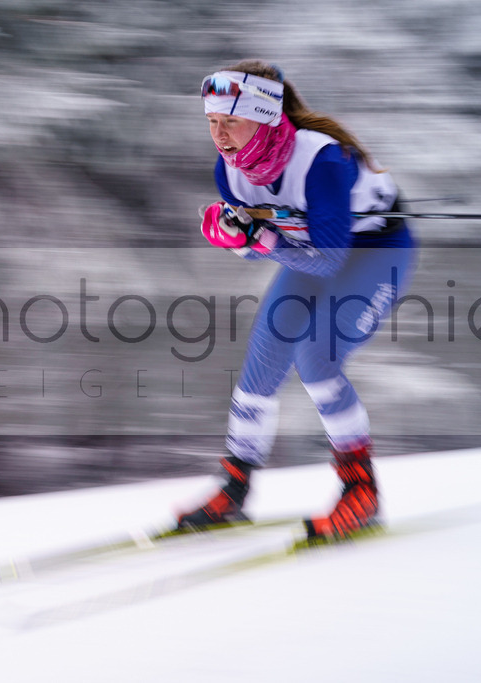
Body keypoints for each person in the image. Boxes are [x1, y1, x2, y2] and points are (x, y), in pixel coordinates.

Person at [176, 60, 416, 541]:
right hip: (309, 254)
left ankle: (362, 492)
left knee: (316, 358)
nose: (220, 135)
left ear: (265, 116)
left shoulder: (322, 161)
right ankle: (234, 488)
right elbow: (264, 243)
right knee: (261, 363)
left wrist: (256, 241)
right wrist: (236, 238)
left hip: (374, 253)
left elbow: (328, 261)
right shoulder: (230, 171)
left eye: (231, 121)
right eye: (212, 121)